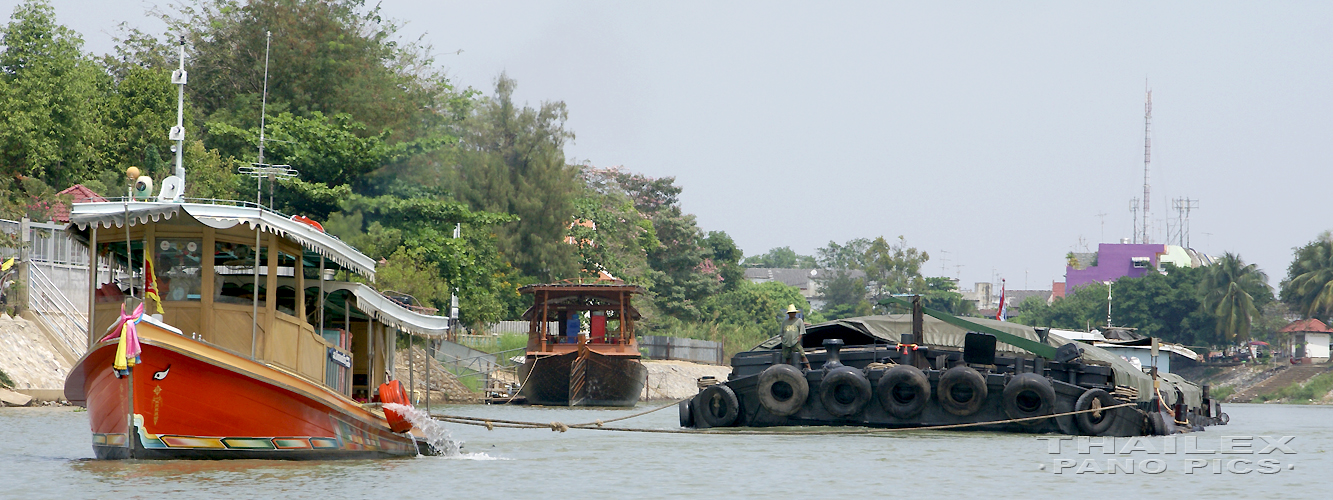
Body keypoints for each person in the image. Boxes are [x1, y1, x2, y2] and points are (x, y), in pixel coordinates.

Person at [780, 304, 811, 370]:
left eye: (794, 313)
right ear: (789, 313)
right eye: (792, 313)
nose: (793, 314)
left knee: (802, 354)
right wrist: (783, 340)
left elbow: (801, 332)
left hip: (795, 341)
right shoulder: (785, 322)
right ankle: (788, 369)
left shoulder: (799, 321)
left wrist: (798, 339)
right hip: (786, 342)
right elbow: (781, 333)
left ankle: (808, 367)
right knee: (787, 357)